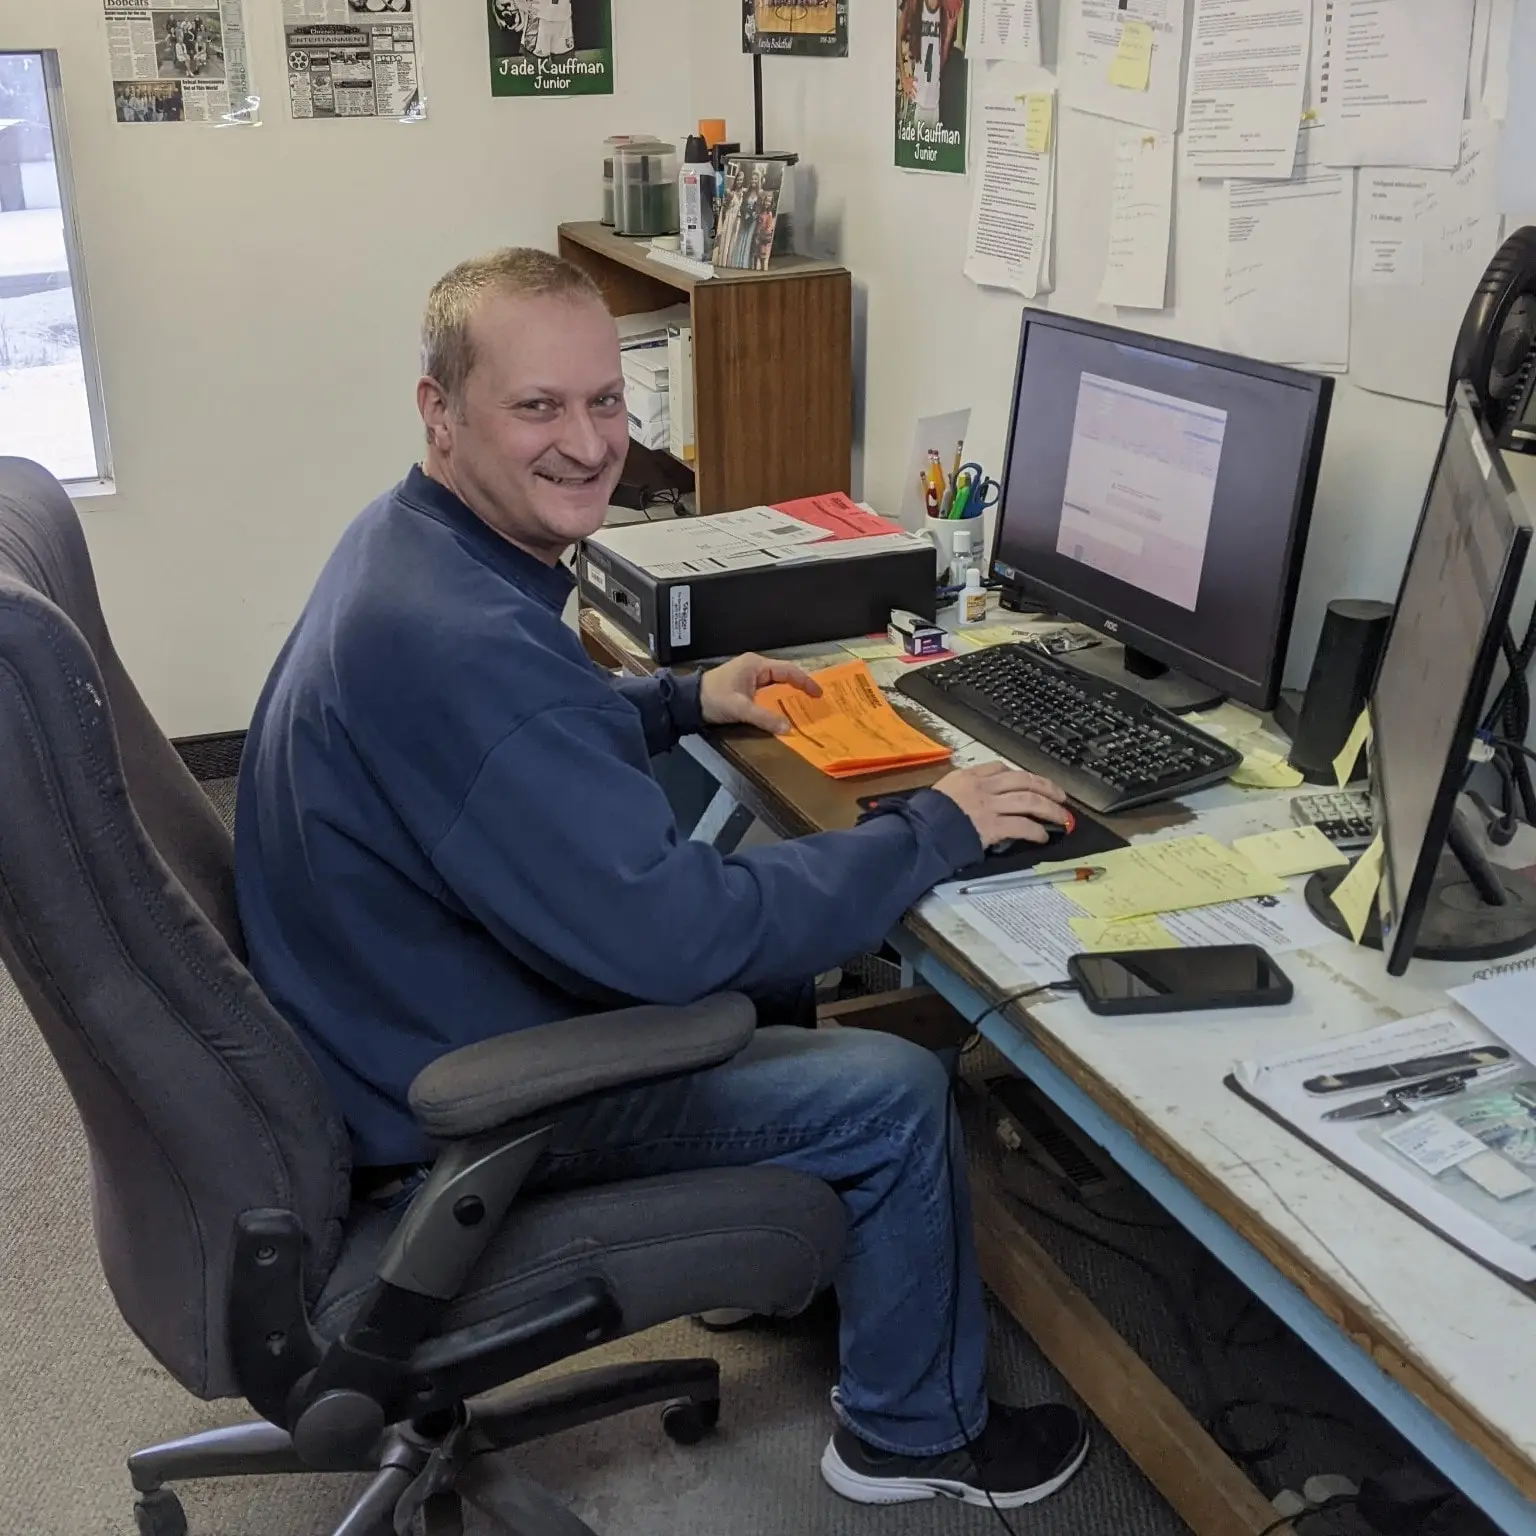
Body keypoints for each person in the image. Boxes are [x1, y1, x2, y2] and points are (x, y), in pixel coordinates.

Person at [235, 247, 1090, 1510]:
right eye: (538, 408)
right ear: (440, 410)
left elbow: (508, 752)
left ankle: (769, 1260)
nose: (589, 446)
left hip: (377, 1006)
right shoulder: (458, 643)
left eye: (605, 403)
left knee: (783, 975)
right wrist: (937, 830)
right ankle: (916, 1437)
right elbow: (678, 939)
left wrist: (683, 697)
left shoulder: (409, 550)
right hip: (446, 1097)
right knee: (897, 1085)